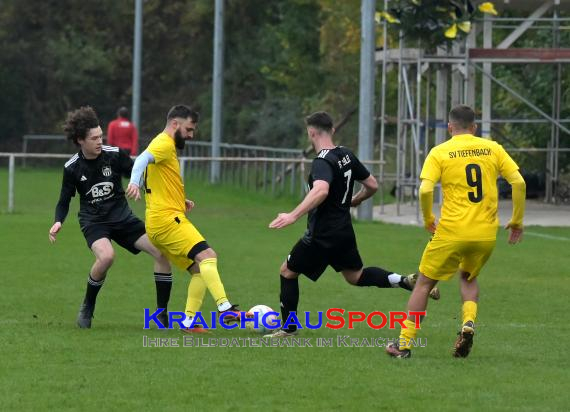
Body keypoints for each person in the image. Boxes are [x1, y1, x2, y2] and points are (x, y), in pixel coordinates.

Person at [265, 111, 439, 338]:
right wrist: (354, 200)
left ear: (311, 132)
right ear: (333, 130)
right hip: (344, 231)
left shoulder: (321, 161)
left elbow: (321, 190)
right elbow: (372, 185)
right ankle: (404, 281)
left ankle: (288, 329)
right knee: (355, 277)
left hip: (322, 234)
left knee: (287, 272)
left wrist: (293, 215)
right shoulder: (345, 155)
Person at [386, 105, 526, 359]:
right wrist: (516, 220)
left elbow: (425, 190)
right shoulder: (493, 148)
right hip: (484, 234)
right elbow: (519, 182)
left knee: (424, 283)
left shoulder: (440, 152)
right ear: (474, 127)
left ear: (450, 127)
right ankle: (468, 323)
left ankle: (403, 345)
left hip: (451, 231)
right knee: (468, 278)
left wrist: (428, 217)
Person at [49, 106, 173, 329]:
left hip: (123, 219)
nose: (99, 141)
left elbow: (142, 173)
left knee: (162, 252)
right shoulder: (72, 168)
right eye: (94, 138)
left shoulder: (114, 155)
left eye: (101, 136)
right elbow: (64, 200)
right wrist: (58, 221)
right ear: (80, 140)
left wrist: (167, 196)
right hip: (94, 222)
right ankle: (88, 305)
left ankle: (161, 314)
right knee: (106, 257)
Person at [126, 104, 241, 333]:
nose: (191, 135)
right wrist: (133, 182)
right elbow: (140, 160)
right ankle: (225, 308)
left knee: (199, 270)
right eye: (189, 129)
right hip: (166, 220)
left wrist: (180, 199)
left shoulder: (164, 145)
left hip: (161, 219)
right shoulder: (163, 143)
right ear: (175, 124)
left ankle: (189, 322)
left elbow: (159, 180)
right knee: (208, 256)